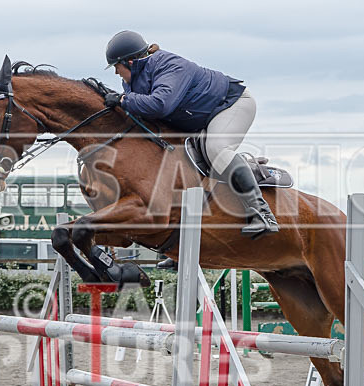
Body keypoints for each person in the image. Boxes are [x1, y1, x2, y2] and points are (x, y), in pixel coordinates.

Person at [103, 30, 279, 243]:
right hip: (198, 118)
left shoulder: (170, 66)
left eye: (116, 67)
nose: (116, 73)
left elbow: (160, 104)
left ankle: (261, 212)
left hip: (231, 105)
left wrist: (123, 101)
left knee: (217, 150)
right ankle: (183, 240)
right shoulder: (132, 81)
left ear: (129, 62)